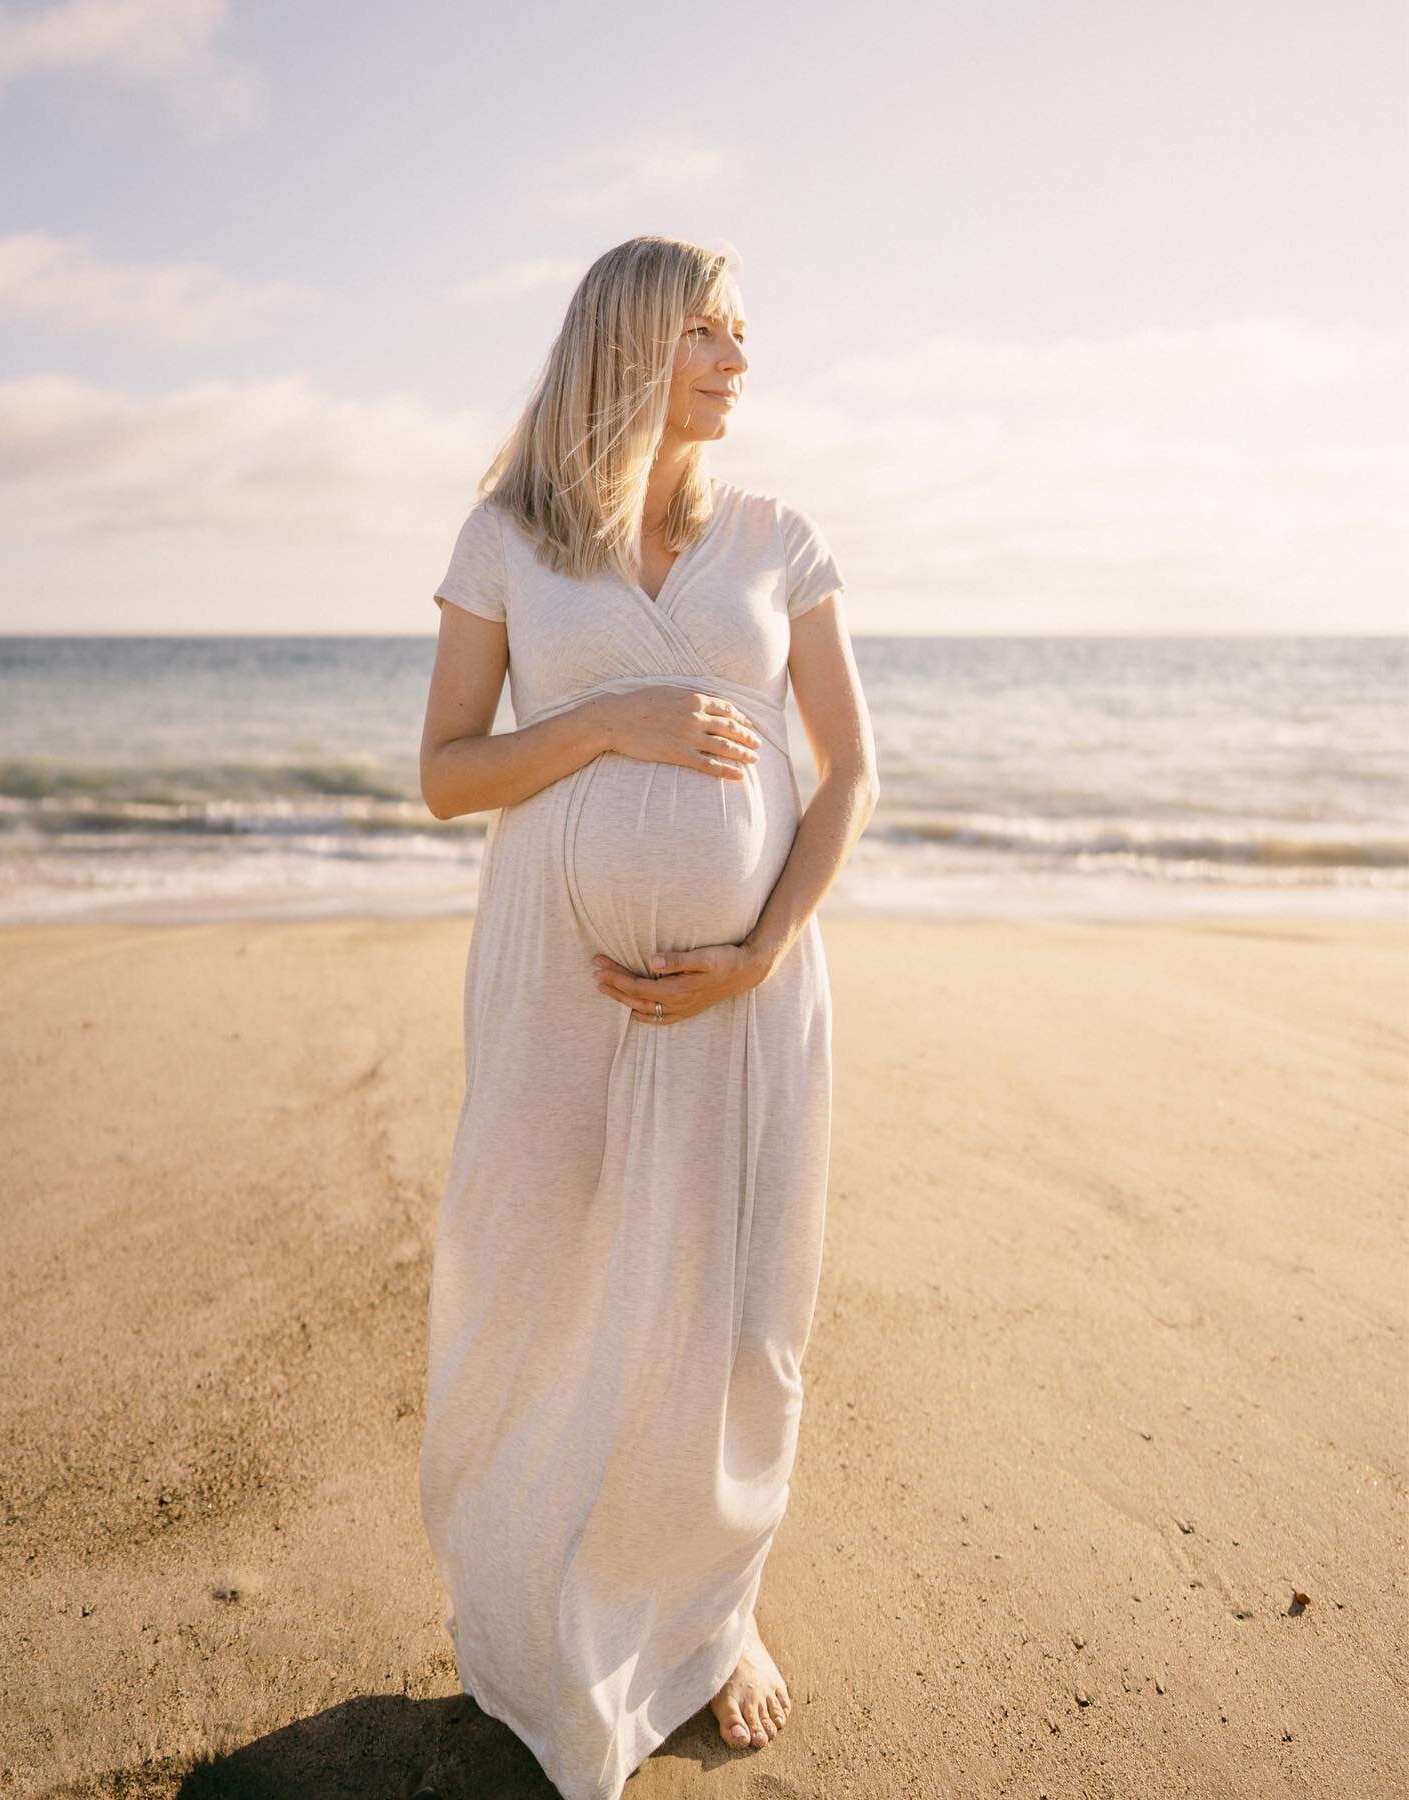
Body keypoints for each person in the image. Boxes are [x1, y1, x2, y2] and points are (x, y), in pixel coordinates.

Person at [415, 233, 879, 1800]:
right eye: (711, 333)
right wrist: (604, 720)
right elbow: (446, 775)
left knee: (734, 1313)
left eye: (744, 334)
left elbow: (850, 776)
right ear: (629, 342)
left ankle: (712, 1614)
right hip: (556, 984)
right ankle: (536, 1601)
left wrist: (758, 948)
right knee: (543, 1278)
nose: (740, 360)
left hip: (751, 1000)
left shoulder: (775, 538)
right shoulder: (507, 539)